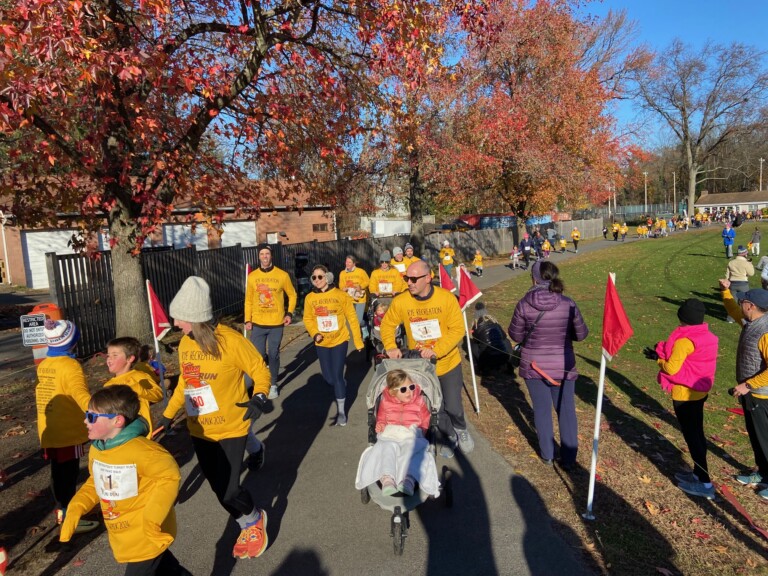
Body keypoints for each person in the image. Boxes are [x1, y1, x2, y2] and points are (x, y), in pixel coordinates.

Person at [160, 276, 272, 559]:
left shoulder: (231, 342)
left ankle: (255, 518)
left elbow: (260, 370)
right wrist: (167, 416)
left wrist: (259, 395)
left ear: (196, 318)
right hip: (200, 429)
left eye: (180, 318)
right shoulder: (186, 344)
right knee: (219, 489)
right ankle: (246, 523)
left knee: (231, 490)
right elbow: (187, 383)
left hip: (231, 426)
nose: (175, 324)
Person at [60, 386, 190, 575]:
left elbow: (169, 477)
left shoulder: (144, 451)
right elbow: (96, 481)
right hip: (121, 532)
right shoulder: (98, 450)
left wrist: (151, 520)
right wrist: (77, 506)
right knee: (168, 570)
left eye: (92, 417)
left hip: (145, 534)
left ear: (117, 421)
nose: (85, 421)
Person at [381, 259, 474, 458]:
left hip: (447, 363)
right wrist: (390, 346)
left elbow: (457, 329)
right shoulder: (401, 301)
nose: (409, 282)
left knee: (453, 407)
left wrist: (437, 350)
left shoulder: (446, 298)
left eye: (414, 279)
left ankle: (461, 429)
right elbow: (387, 325)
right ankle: (448, 436)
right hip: (420, 367)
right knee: (435, 407)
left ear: (428, 278)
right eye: (407, 278)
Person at [508, 261, 588, 469]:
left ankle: (548, 454)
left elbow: (516, 335)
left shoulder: (524, 304)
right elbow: (581, 334)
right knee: (566, 411)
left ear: (534, 278)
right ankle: (568, 458)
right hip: (560, 366)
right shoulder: (568, 304)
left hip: (536, 366)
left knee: (542, 411)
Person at [643, 299, 718, 499]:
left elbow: (671, 368)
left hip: (685, 394)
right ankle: (697, 473)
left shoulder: (685, 341)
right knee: (697, 433)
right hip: (699, 393)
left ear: (683, 318)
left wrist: (658, 359)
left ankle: (704, 482)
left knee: (692, 436)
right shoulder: (708, 337)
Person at [35, 319, 99, 533]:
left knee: (58, 471)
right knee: (68, 473)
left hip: (49, 429)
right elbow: (78, 392)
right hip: (67, 431)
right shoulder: (70, 366)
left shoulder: (45, 365)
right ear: (72, 342)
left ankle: (61, 510)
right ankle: (69, 515)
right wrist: (95, 411)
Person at [718, 282, 768, 502]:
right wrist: (725, 291)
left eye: (743, 301)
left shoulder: (765, 331)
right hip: (751, 394)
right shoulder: (750, 322)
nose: (740, 304)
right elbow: (732, 309)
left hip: (762, 395)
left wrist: (747, 385)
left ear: (751, 305)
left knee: (765, 438)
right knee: (757, 438)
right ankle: (763, 473)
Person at [354, 369, 439, 497]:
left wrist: (421, 430)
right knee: (386, 448)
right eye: (404, 390)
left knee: (411, 451)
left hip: (411, 434)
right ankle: (387, 478)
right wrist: (381, 424)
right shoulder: (386, 402)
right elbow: (381, 417)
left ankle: (408, 480)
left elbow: (426, 418)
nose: (410, 391)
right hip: (391, 434)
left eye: (411, 387)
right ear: (393, 392)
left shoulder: (419, 401)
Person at [303, 265, 364, 426]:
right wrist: (314, 332)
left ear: (328, 277)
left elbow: (352, 317)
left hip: (339, 340)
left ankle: (342, 412)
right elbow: (308, 319)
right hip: (321, 342)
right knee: (329, 377)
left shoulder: (340, 295)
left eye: (320, 277)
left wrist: (358, 341)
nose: (317, 280)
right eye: (314, 277)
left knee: (336, 375)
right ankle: (340, 384)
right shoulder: (310, 298)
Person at [244, 243, 297, 400]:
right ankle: (261, 380)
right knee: (259, 355)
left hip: (276, 322)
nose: (265, 257)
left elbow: (292, 295)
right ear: (259, 256)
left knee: (273, 353)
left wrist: (289, 313)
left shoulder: (282, 275)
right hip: (258, 323)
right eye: (262, 254)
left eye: (267, 254)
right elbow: (248, 300)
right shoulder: (252, 277)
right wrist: (247, 319)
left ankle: (273, 384)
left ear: (271, 256)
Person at [104, 337, 164, 437]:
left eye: (114, 355)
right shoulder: (108, 385)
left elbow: (158, 395)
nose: (109, 359)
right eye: (108, 355)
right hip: (116, 436)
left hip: (139, 434)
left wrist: (139, 389)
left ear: (130, 358)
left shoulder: (140, 377)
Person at [338, 255, 370, 338]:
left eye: (349, 262)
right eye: (346, 262)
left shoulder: (361, 271)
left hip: (360, 298)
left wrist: (361, 286)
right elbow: (341, 285)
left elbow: (367, 281)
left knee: (358, 320)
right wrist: (343, 288)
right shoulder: (342, 273)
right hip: (349, 298)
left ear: (354, 263)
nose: (347, 264)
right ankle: (359, 333)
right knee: (351, 319)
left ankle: (364, 326)